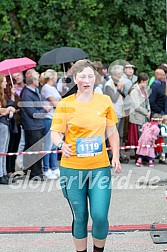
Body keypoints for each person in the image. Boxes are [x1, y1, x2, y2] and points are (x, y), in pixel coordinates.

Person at [51, 60, 121, 252]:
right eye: (82, 76)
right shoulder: (65, 104)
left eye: (90, 76)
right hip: (72, 168)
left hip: (99, 167)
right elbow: (55, 132)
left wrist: (115, 155)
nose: (87, 80)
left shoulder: (104, 101)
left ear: (95, 78)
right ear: (75, 79)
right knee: (80, 216)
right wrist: (61, 144)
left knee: (99, 215)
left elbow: (112, 132)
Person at [20, 70, 50, 180]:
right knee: (34, 149)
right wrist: (44, 110)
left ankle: (38, 171)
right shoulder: (27, 93)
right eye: (37, 78)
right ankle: (35, 173)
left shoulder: (35, 90)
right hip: (32, 126)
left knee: (38, 149)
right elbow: (31, 112)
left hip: (39, 124)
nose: (39, 80)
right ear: (32, 80)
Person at [41, 69, 61, 179]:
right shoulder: (46, 88)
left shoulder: (53, 88)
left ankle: (54, 167)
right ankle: (46, 168)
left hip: (55, 118)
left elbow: (60, 100)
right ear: (52, 77)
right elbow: (55, 103)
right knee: (48, 144)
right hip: (48, 118)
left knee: (54, 144)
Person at [0, 74, 16, 184]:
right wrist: (7, 109)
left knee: (5, 150)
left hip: (5, 123)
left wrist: (8, 109)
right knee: (1, 150)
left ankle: (4, 172)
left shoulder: (3, 95)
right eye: (4, 81)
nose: (6, 83)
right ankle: (1, 174)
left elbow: (10, 106)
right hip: (1, 124)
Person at [128, 73, 151, 147]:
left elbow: (147, 101)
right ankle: (137, 153)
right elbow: (136, 105)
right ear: (141, 81)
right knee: (137, 136)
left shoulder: (145, 89)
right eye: (146, 82)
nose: (147, 84)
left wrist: (149, 110)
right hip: (137, 117)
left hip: (144, 117)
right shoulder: (134, 91)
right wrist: (146, 112)